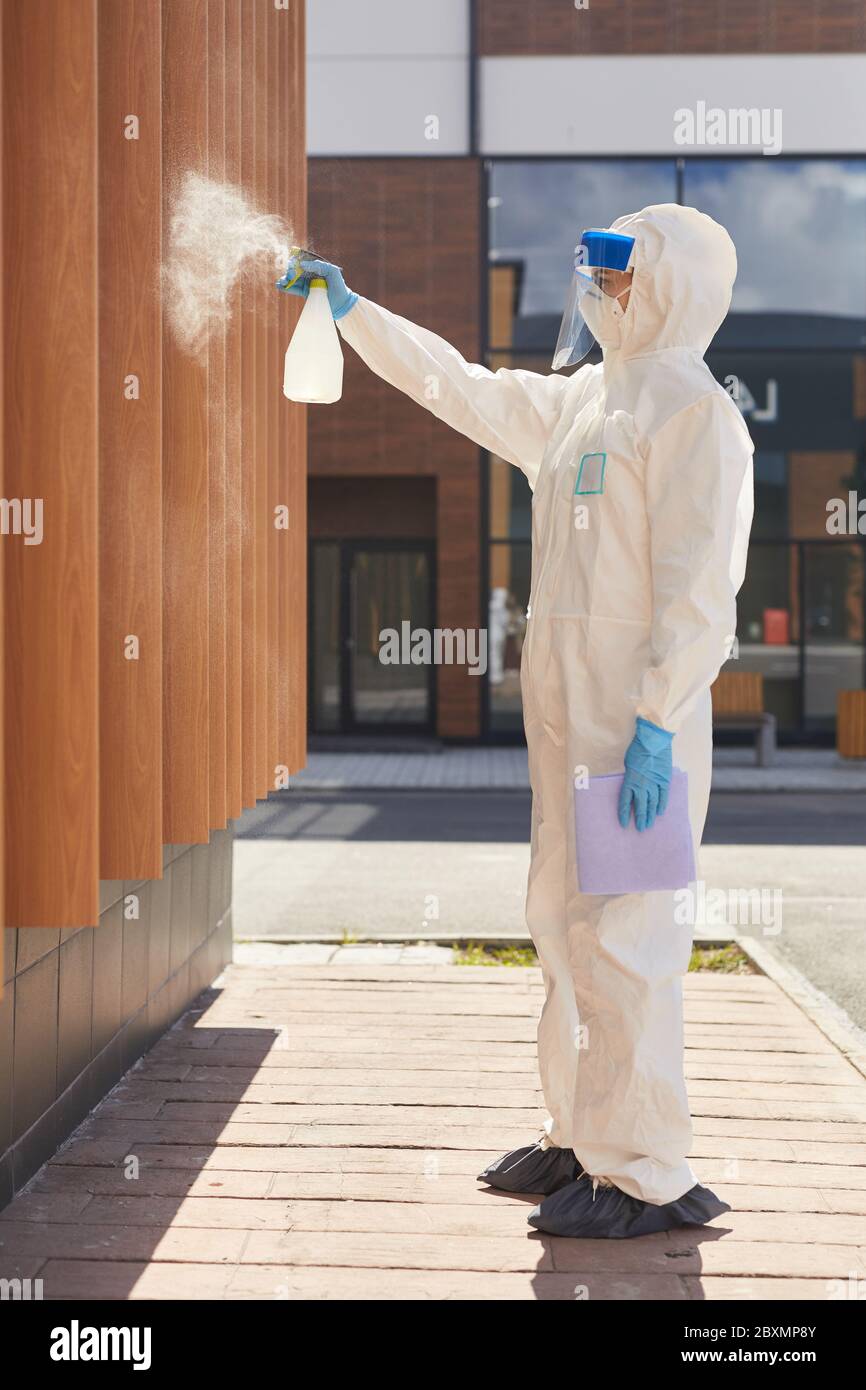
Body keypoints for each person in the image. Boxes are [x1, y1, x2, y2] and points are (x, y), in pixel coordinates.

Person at [278, 203, 754, 1239]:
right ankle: (578, 1134)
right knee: (557, 925)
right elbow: (462, 387)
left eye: (622, 274)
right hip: (563, 718)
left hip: (634, 728)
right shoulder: (585, 400)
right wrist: (354, 314)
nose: (602, 288)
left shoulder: (690, 411)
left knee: (626, 940)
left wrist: (659, 723)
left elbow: (698, 592)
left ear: (671, 284)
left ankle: (641, 1170)